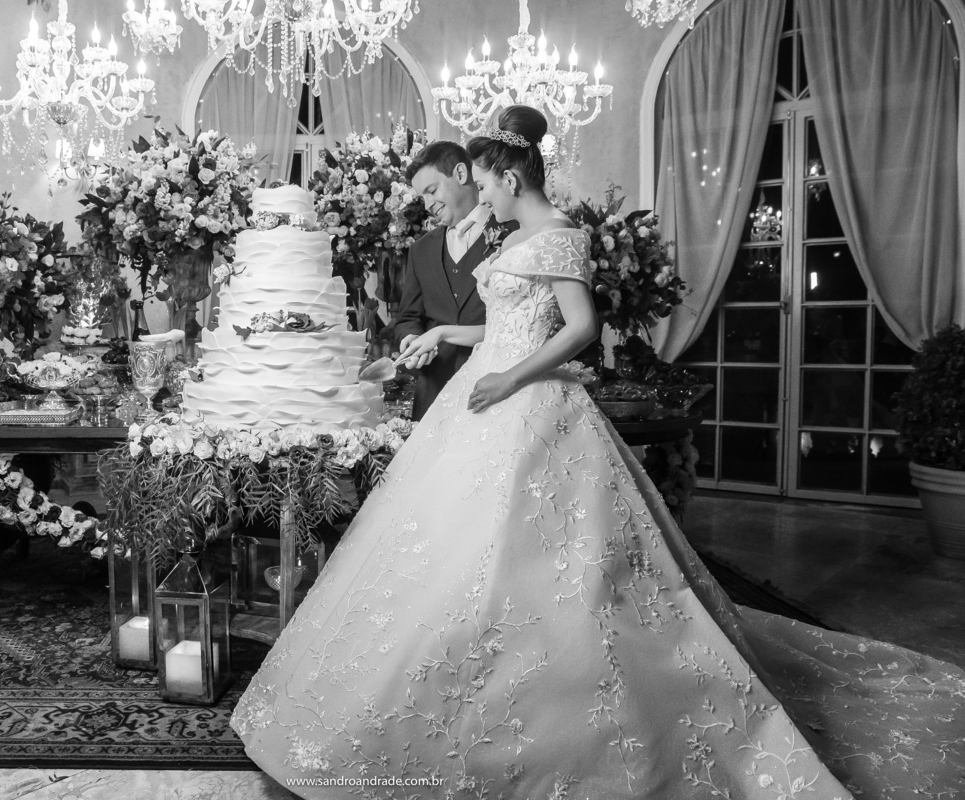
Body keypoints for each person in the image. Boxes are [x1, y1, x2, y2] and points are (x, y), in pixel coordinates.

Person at [231, 106, 965, 798]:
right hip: (483, 395)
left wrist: (513, 377)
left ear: (511, 178)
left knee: (550, 562)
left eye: (485, 180)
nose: (479, 192)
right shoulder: (512, 237)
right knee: (447, 551)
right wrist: (451, 342)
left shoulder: (560, 237)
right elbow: (502, 326)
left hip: (526, 402)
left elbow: (578, 328)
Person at [393, 141, 517, 420]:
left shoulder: (516, 234)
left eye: (432, 191)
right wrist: (412, 338)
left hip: (497, 396)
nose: (427, 205)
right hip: (434, 397)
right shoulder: (421, 250)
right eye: (422, 197)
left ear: (461, 174)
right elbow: (408, 317)